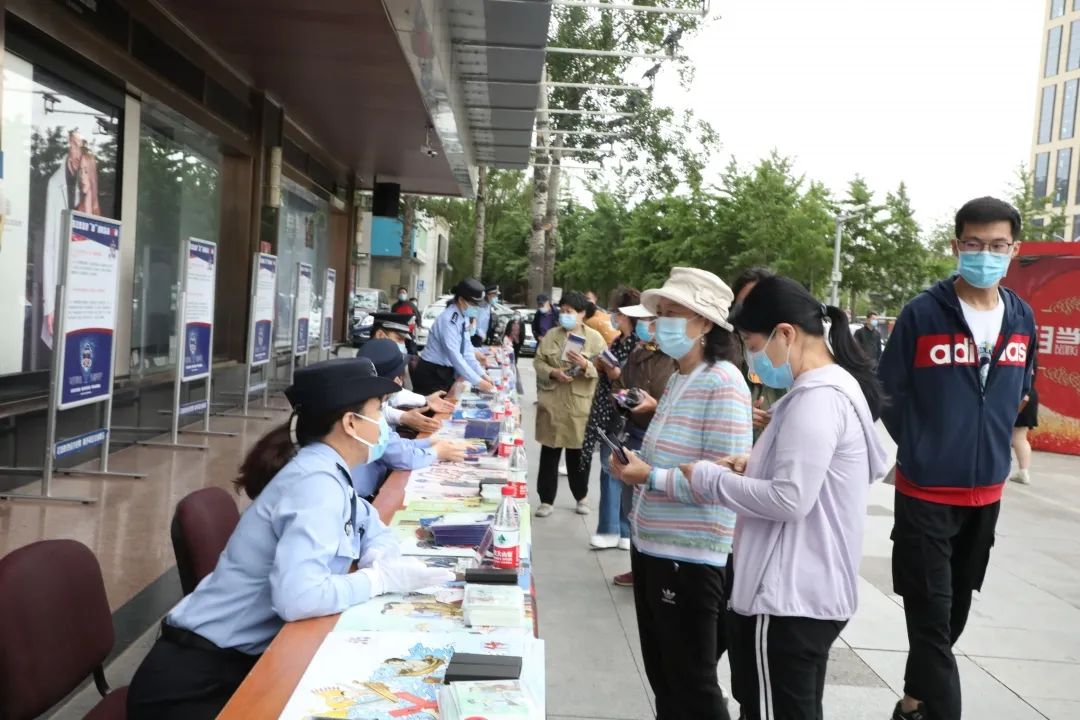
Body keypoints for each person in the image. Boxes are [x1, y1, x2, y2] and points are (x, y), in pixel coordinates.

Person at [126, 358, 454, 719]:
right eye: (378, 410)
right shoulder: (314, 482)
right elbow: (298, 599)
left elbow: (369, 522)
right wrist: (377, 580)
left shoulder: (329, 470)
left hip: (238, 663)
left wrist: (379, 551)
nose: (383, 423)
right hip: (196, 686)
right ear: (350, 423)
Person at [632, 276, 888, 720]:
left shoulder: (817, 398)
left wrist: (711, 477)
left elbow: (791, 500)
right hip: (804, 590)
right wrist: (751, 466)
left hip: (787, 595)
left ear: (785, 333)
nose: (750, 356)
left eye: (751, 342)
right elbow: (817, 478)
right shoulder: (828, 390)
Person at [877, 197, 1036, 720]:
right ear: (956, 246)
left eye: (996, 246)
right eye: (973, 244)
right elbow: (889, 394)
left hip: (986, 494)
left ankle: (911, 706)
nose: (984, 254)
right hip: (925, 493)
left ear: (1013, 249)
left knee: (949, 622)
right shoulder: (924, 313)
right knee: (932, 623)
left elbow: (1020, 390)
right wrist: (924, 443)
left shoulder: (1022, 317)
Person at [607, 267, 752, 719]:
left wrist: (648, 477)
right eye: (660, 314)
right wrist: (636, 465)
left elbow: (723, 483)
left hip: (690, 557)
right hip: (653, 546)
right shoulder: (678, 377)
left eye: (673, 314)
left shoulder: (724, 382)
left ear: (705, 323)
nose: (661, 323)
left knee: (692, 684)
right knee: (666, 680)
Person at [608, 303, 677, 587]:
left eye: (650, 321)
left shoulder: (677, 360)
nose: (645, 327)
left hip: (662, 439)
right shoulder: (637, 354)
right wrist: (625, 399)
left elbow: (677, 407)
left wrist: (655, 406)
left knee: (656, 506)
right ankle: (637, 567)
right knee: (631, 506)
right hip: (633, 433)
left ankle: (656, 571)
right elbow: (620, 386)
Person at [352, 339, 466, 500]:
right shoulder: (368, 414)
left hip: (373, 488)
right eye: (395, 377)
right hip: (364, 496)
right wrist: (437, 452)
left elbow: (394, 444)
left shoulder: (369, 404)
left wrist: (431, 441)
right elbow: (401, 457)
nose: (399, 382)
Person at [533, 290, 607, 518]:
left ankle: (581, 497)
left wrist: (586, 365)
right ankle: (546, 500)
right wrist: (553, 372)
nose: (565, 315)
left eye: (570, 312)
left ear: (582, 314)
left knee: (578, 457)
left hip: (579, 405)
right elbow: (538, 361)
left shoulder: (595, 338)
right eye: (562, 311)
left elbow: (605, 370)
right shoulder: (551, 335)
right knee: (549, 454)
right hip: (553, 403)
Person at [579, 287, 641, 550]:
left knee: (614, 468)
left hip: (624, 411)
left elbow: (622, 376)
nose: (614, 317)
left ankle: (615, 529)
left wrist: (611, 368)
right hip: (609, 410)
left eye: (617, 312)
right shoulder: (618, 340)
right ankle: (614, 528)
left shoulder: (638, 343)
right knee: (611, 468)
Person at [413, 278, 495, 396]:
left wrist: (483, 375)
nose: (476, 308)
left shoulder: (463, 317)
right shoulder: (449, 321)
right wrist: (478, 382)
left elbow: (467, 353)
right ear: (461, 300)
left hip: (445, 372)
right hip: (432, 374)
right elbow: (455, 357)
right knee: (434, 412)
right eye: (474, 305)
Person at [42, 130, 84, 350]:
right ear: (69, 145)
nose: (78, 153)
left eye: (82, 147)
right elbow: (49, 249)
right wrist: (50, 306)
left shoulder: (86, 184)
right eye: (76, 145)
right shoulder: (55, 183)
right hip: (61, 287)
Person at [732, 267, 781, 440]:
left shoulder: (793, 354)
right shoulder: (723, 350)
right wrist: (738, 416)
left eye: (759, 303)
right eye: (745, 305)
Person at [1011, 354, 1039, 485]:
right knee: (1020, 437)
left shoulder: (1018, 354)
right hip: (1030, 396)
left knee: (1016, 437)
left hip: (1019, 397)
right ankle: (1024, 471)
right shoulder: (1033, 357)